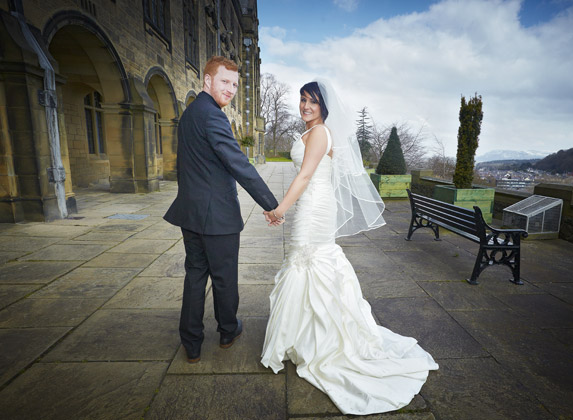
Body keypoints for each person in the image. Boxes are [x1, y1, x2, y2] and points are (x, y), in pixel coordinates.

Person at [261, 79, 439, 415]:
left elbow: (304, 176)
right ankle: (304, 335)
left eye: (312, 101)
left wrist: (280, 209)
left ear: (324, 107)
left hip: (314, 208)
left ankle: (320, 339)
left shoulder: (318, 133)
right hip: (313, 204)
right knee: (306, 263)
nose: (305, 106)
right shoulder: (312, 132)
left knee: (308, 261)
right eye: (302, 100)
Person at [164, 56, 279, 364]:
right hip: (217, 217)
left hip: (190, 212)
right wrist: (271, 204)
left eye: (235, 85)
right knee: (224, 277)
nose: (231, 90)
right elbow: (238, 162)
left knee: (195, 276)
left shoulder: (190, 113)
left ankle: (191, 342)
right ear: (207, 80)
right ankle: (228, 330)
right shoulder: (213, 116)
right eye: (225, 82)